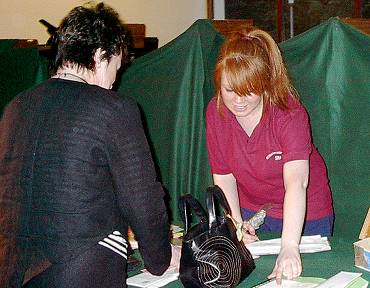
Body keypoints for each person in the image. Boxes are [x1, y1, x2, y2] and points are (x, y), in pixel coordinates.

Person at [0, 3, 179, 288]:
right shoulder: (113, 108)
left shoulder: (15, 108)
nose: (113, 83)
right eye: (116, 69)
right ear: (99, 56)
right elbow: (142, 197)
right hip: (82, 272)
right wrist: (161, 258)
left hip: (13, 272)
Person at [205, 28, 334, 284]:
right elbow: (223, 176)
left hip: (306, 214)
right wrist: (238, 225)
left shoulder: (289, 115)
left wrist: (289, 245)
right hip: (253, 210)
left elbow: (297, 183)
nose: (238, 101)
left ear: (265, 83)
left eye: (249, 91)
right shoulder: (216, 110)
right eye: (230, 90)